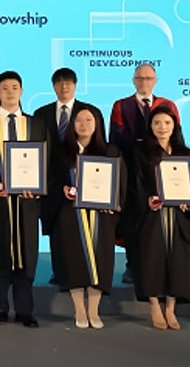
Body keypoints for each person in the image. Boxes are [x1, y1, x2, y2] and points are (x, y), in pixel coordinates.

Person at [0, 71, 47, 328]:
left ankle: (25, 310)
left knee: (26, 254)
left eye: (15, 87)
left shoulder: (36, 124)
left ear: (21, 91)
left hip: (27, 201)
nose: (10, 92)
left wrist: (38, 187)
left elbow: (47, 160)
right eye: (5, 88)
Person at [32, 67, 105, 287]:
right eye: (60, 83)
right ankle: (59, 272)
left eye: (68, 83)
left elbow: (101, 146)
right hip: (53, 180)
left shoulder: (89, 111)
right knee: (56, 228)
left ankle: (87, 271)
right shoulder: (41, 113)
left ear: (75, 85)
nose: (64, 87)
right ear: (53, 86)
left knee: (86, 229)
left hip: (85, 180)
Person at [53, 107, 124, 329]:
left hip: (101, 216)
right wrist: (62, 189)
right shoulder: (61, 151)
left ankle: (94, 309)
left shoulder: (110, 151)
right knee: (74, 260)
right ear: (72, 124)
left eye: (89, 119)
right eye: (79, 120)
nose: (84, 124)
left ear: (97, 123)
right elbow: (50, 180)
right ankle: (79, 309)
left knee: (100, 261)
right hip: (70, 215)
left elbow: (121, 183)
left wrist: (113, 202)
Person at [109, 63, 180, 285]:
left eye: (149, 78)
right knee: (133, 219)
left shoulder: (168, 105)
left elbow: (176, 137)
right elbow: (116, 139)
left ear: (155, 81)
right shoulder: (121, 106)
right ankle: (132, 265)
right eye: (140, 78)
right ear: (133, 81)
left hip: (161, 170)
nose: (144, 82)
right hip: (131, 171)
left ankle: (160, 264)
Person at [134, 106, 190, 330]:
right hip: (152, 216)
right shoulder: (141, 152)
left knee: (178, 261)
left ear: (174, 126)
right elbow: (135, 185)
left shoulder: (187, 154)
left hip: (179, 216)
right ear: (150, 126)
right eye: (156, 123)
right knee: (151, 260)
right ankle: (154, 304)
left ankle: (171, 308)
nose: (162, 128)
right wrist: (147, 200)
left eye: (166, 123)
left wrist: (188, 202)